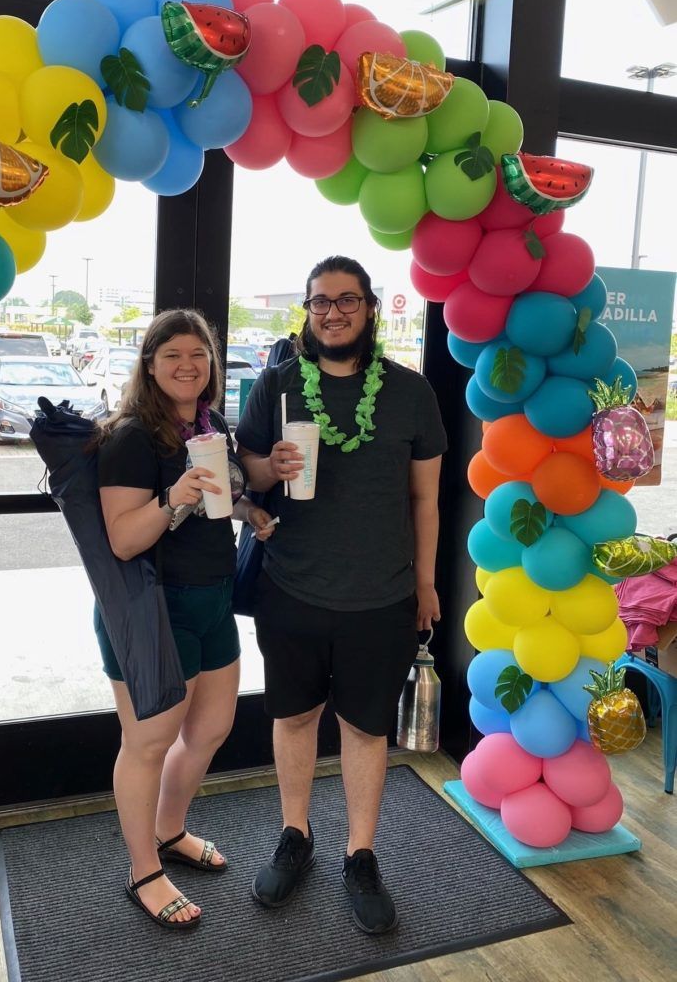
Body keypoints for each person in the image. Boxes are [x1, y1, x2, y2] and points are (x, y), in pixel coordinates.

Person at [235, 255, 447, 935]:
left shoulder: (411, 393)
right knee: (294, 717)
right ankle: (294, 835)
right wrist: (271, 466)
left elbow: (425, 499)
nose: (332, 312)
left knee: (363, 727)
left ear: (370, 308)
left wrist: (422, 583)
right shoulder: (274, 385)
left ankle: (360, 853)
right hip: (291, 585)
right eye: (319, 302)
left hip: (381, 596)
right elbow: (247, 471)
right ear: (306, 311)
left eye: (346, 300)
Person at [96, 308, 276, 930]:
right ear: (150, 364)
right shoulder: (129, 437)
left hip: (212, 600)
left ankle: (170, 830)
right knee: (147, 744)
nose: (187, 365)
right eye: (172, 354)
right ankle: (144, 870)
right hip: (152, 609)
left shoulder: (210, 425)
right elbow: (122, 539)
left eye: (198, 355)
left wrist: (245, 509)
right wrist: (172, 498)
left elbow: (214, 503)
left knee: (209, 731)